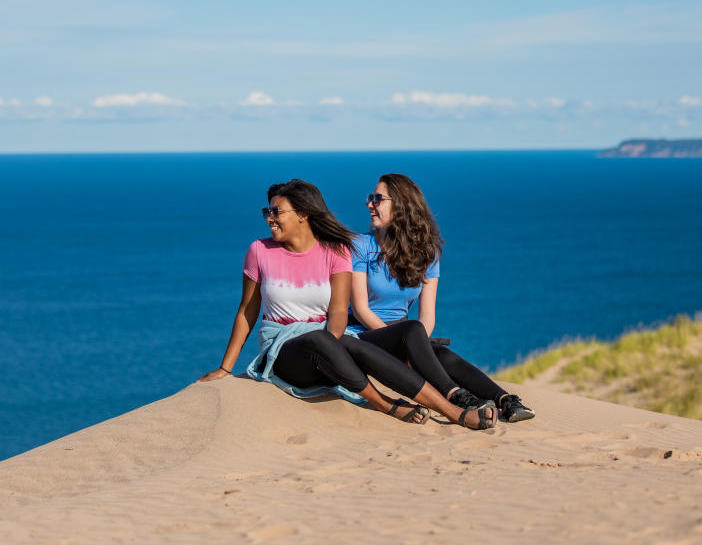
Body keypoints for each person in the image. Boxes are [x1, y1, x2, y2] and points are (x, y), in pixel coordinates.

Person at [198, 178, 495, 430]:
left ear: (302, 214)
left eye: (276, 211)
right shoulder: (259, 251)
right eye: (267, 211)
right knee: (322, 340)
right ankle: (385, 403)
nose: (269, 217)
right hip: (283, 350)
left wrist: (334, 342)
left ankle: (454, 410)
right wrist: (225, 368)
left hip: (329, 339)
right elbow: (247, 311)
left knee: (400, 331)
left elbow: (340, 310)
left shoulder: (336, 251)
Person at [348, 173, 535, 423]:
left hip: (405, 332)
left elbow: (427, 314)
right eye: (370, 198)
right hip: (365, 333)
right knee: (413, 331)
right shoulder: (360, 245)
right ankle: (455, 395)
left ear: (401, 204)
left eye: (377, 199)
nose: (369, 204)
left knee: (440, 354)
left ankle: (505, 400)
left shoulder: (427, 253)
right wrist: (401, 345)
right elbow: (360, 309)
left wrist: (417, 348)